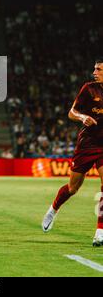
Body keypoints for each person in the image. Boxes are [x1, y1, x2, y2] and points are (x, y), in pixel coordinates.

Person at [42, 58, 103, 246]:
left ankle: (100, 232)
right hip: (87, 144)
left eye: (99, 69)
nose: (95, 72)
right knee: (72, 188)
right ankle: (53, 209)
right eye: (94, 68)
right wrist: (83, 116)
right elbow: (71, 112)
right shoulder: (89, 88)